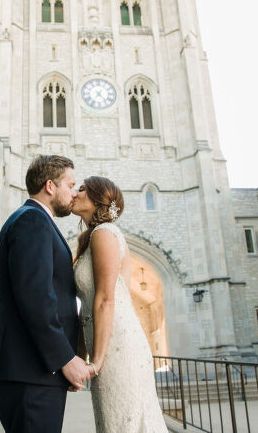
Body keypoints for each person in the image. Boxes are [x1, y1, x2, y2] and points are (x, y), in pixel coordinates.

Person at [0, 155, 92, 433]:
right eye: (70, 184)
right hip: (30, 370)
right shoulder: (32, 221)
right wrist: (65, 358)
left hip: (34, 369)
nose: (74, 193)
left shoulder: (33, 220)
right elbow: (36, 299)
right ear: (50, 186)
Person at [72, 176, 168, 432]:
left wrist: (97, 361)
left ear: (97, 199)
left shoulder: (104, 233)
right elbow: (86, 306)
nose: (75, 192)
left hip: (118, 349)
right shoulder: (91, 238)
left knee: (124, 421)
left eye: (82, 189)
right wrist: (81, 356)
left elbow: (106, 298)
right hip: (106, 345)